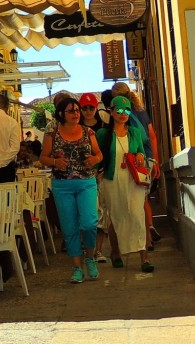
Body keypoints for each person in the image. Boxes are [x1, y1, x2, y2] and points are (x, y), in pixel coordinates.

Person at [39, 95, 103, 283]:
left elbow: (99, 154)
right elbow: (43, 157)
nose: (76, 113)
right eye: (71, 111)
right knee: (69, 227)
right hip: (62, 185)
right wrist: (55, 162)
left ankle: (90, 257)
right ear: (62, 114)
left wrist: (94, 159)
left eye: (77, 110)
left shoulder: (88, 132)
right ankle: (77, 267)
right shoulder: (53, 133)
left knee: (90, 222)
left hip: (86, 182)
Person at [95, 95, 154, 272]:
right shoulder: (103, 134)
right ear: (111, 112)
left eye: (127, 110)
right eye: (119, 110)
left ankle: (144, 257)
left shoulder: (135, 132)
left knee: (137, 214)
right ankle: (115, 252)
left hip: (133, 178)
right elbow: (99, 157)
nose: (123, 114)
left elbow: (142, 152)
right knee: (116, 215)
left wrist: (140, 156)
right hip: (112, 179)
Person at [110, 81, 161, 248]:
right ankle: (150, 229)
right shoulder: (141, 111)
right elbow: (152, 136)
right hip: (148, 159)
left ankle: (145, 239)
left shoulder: (123, 114)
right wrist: (155, 161)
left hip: (134, 160)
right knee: (144, 198)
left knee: (136, 200)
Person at [79, 92, 108, 262]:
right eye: (85, 107)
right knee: (85, 216)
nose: (88, 110)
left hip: (101, 175)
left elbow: (107, 152)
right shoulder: (77, 128)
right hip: (82, 176)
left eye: (91, 107)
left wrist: (102, 169)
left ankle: (98, 250)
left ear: (96, 108)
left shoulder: (103, 127)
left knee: (101, 214)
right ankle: (87, 249)